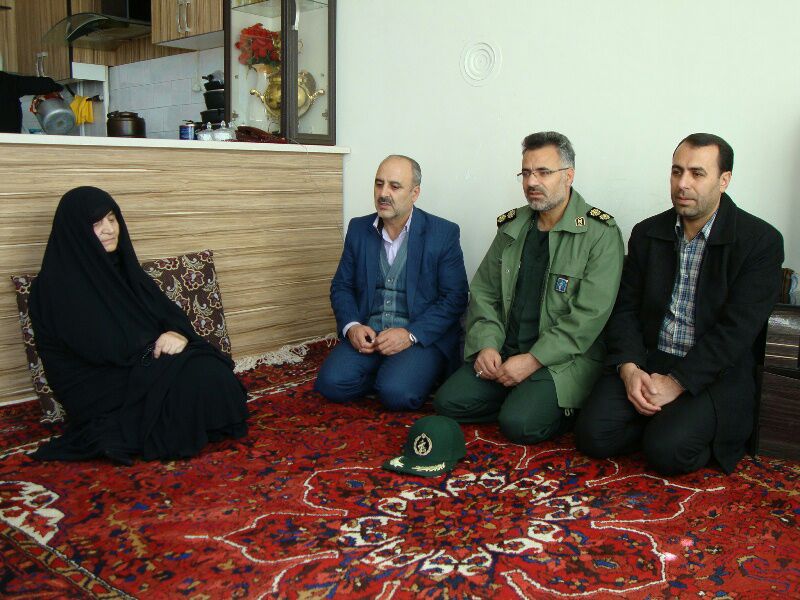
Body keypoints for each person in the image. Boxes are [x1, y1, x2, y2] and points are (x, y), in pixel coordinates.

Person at [575, 133, 784, 475]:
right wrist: (629, 369)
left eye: (697, 173)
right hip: (649, 358)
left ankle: (668, 428)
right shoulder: (647, 232)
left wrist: (677, 383)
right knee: (592, 436)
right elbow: (624, 308)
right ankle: (659, 421)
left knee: (667, 451)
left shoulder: (760, 241)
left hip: (712, 370)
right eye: (676, 171)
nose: (682, 183)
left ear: (724, 180)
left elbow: (737, 332)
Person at [29, 186, 248, 464]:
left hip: (141, 361)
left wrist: (176, 333)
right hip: (100, 382)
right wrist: (156, 345)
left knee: (211, 370)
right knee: (197, 379)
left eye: (112, 219)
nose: (109, 229)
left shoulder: (123, 268)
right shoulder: (54, 287)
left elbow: (167, 313)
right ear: (76, 230)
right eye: (96, 223)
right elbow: (101, 346)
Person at [434, 132, 624, 443]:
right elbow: (485, 292)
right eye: (525, 173)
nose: (532, 182)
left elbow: (588, 318)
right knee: (448, 402)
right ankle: (522, 398)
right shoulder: (513, 226)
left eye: (543, 172)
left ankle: (538, 404)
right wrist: (487, 345)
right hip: (506, 350)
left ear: (568, 176)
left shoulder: (599, 233)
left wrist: (533, 360)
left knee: (519, 425)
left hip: (561, 360)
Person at [314, 155, 469, 410]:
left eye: (394, 186)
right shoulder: (358, 228)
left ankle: (400, 377)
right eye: (379, 184)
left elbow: (455, 297)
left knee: (398, 395)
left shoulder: (443, 233)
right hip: (369, 334)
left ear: (415, 193)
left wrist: (410, 334)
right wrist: (352, 327)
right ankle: (389, 375)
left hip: (417, 337)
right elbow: (341, 286)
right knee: (330, 384)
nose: (383, 193)